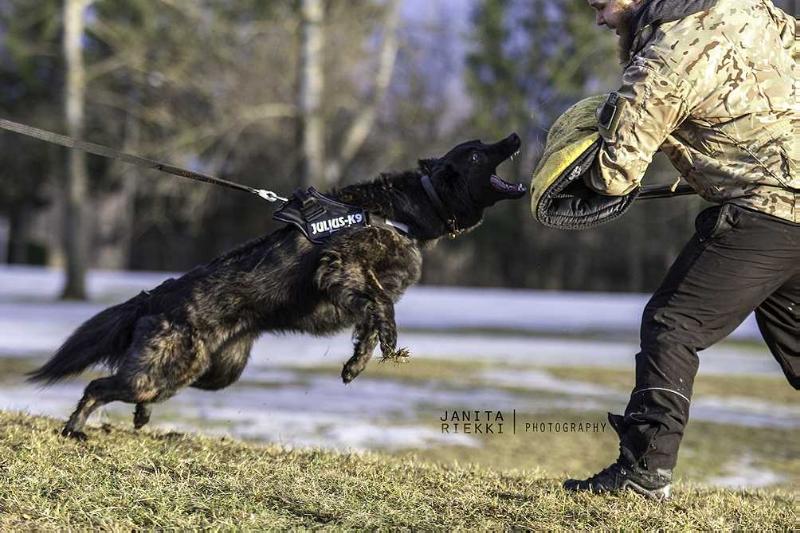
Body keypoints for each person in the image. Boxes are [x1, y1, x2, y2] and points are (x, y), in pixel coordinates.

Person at [562, 0, 798, 499]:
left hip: (766, 213)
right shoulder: (750, 8)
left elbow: (618, 169)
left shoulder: (663, 56)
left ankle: (643, 473)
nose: (600, 20)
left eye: (601, 6)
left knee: (673, 324)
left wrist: (577, 178)